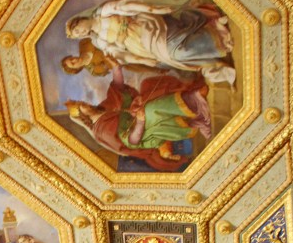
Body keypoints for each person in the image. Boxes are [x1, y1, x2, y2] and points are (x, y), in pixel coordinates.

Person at [65, 0, 235, 85]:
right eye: (78, 34)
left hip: (145, 27)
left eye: (77, 29)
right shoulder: (99, 42)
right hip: (141, 48)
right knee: (173, 58)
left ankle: (215, 32)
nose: (81, 33)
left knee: (176, 53)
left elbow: (129, 6)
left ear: (80, 20)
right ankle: (214, 52)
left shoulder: (103, 12)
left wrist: (154, 9)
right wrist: (142, 60)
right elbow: (119, 55)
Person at [65, 65, 211, 172]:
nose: (85, 103)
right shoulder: (102, 131)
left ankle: (188, 91)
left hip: (139, 118)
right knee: (151, 110)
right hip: (143, 135)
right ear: (82, 115)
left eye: (82, 102)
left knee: (147, 85)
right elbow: (132, 141)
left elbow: (118, 90)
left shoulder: (102, 108)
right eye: (82, 106)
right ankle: (193, 102)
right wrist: (140, 120)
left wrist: (116, 68)